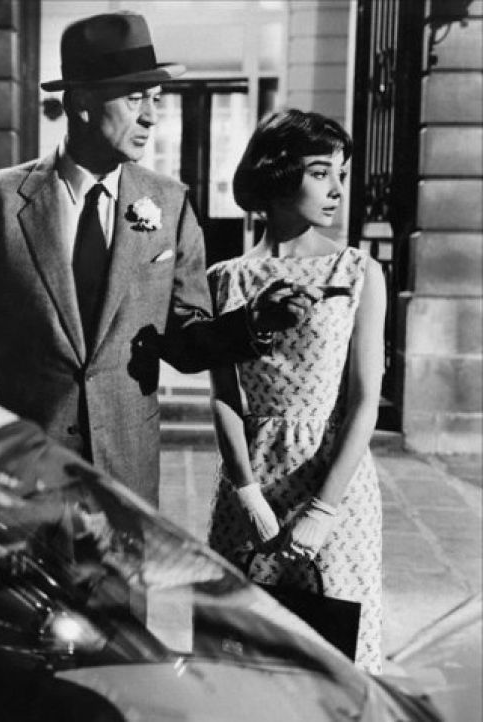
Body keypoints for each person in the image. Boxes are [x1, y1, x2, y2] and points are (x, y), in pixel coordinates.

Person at [0, 11, 313, 505]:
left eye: (155, 99)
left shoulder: (170, 203)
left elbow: (185, 340)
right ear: (81, 104)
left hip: (126, 475)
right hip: (26, 473)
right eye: (135, 98)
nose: (151, 116)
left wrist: (250, 325)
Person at [205, 109, 385, 672]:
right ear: (279, 175)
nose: (336, 190)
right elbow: (224, 398)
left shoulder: (357, 271)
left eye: (341, 174)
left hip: (334, 482)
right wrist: (248, 495)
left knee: (334, 660)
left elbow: (364, 402)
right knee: (244, 653)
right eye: (320, 172)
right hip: (251, 480)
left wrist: (324, 510)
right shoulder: (226, 279)